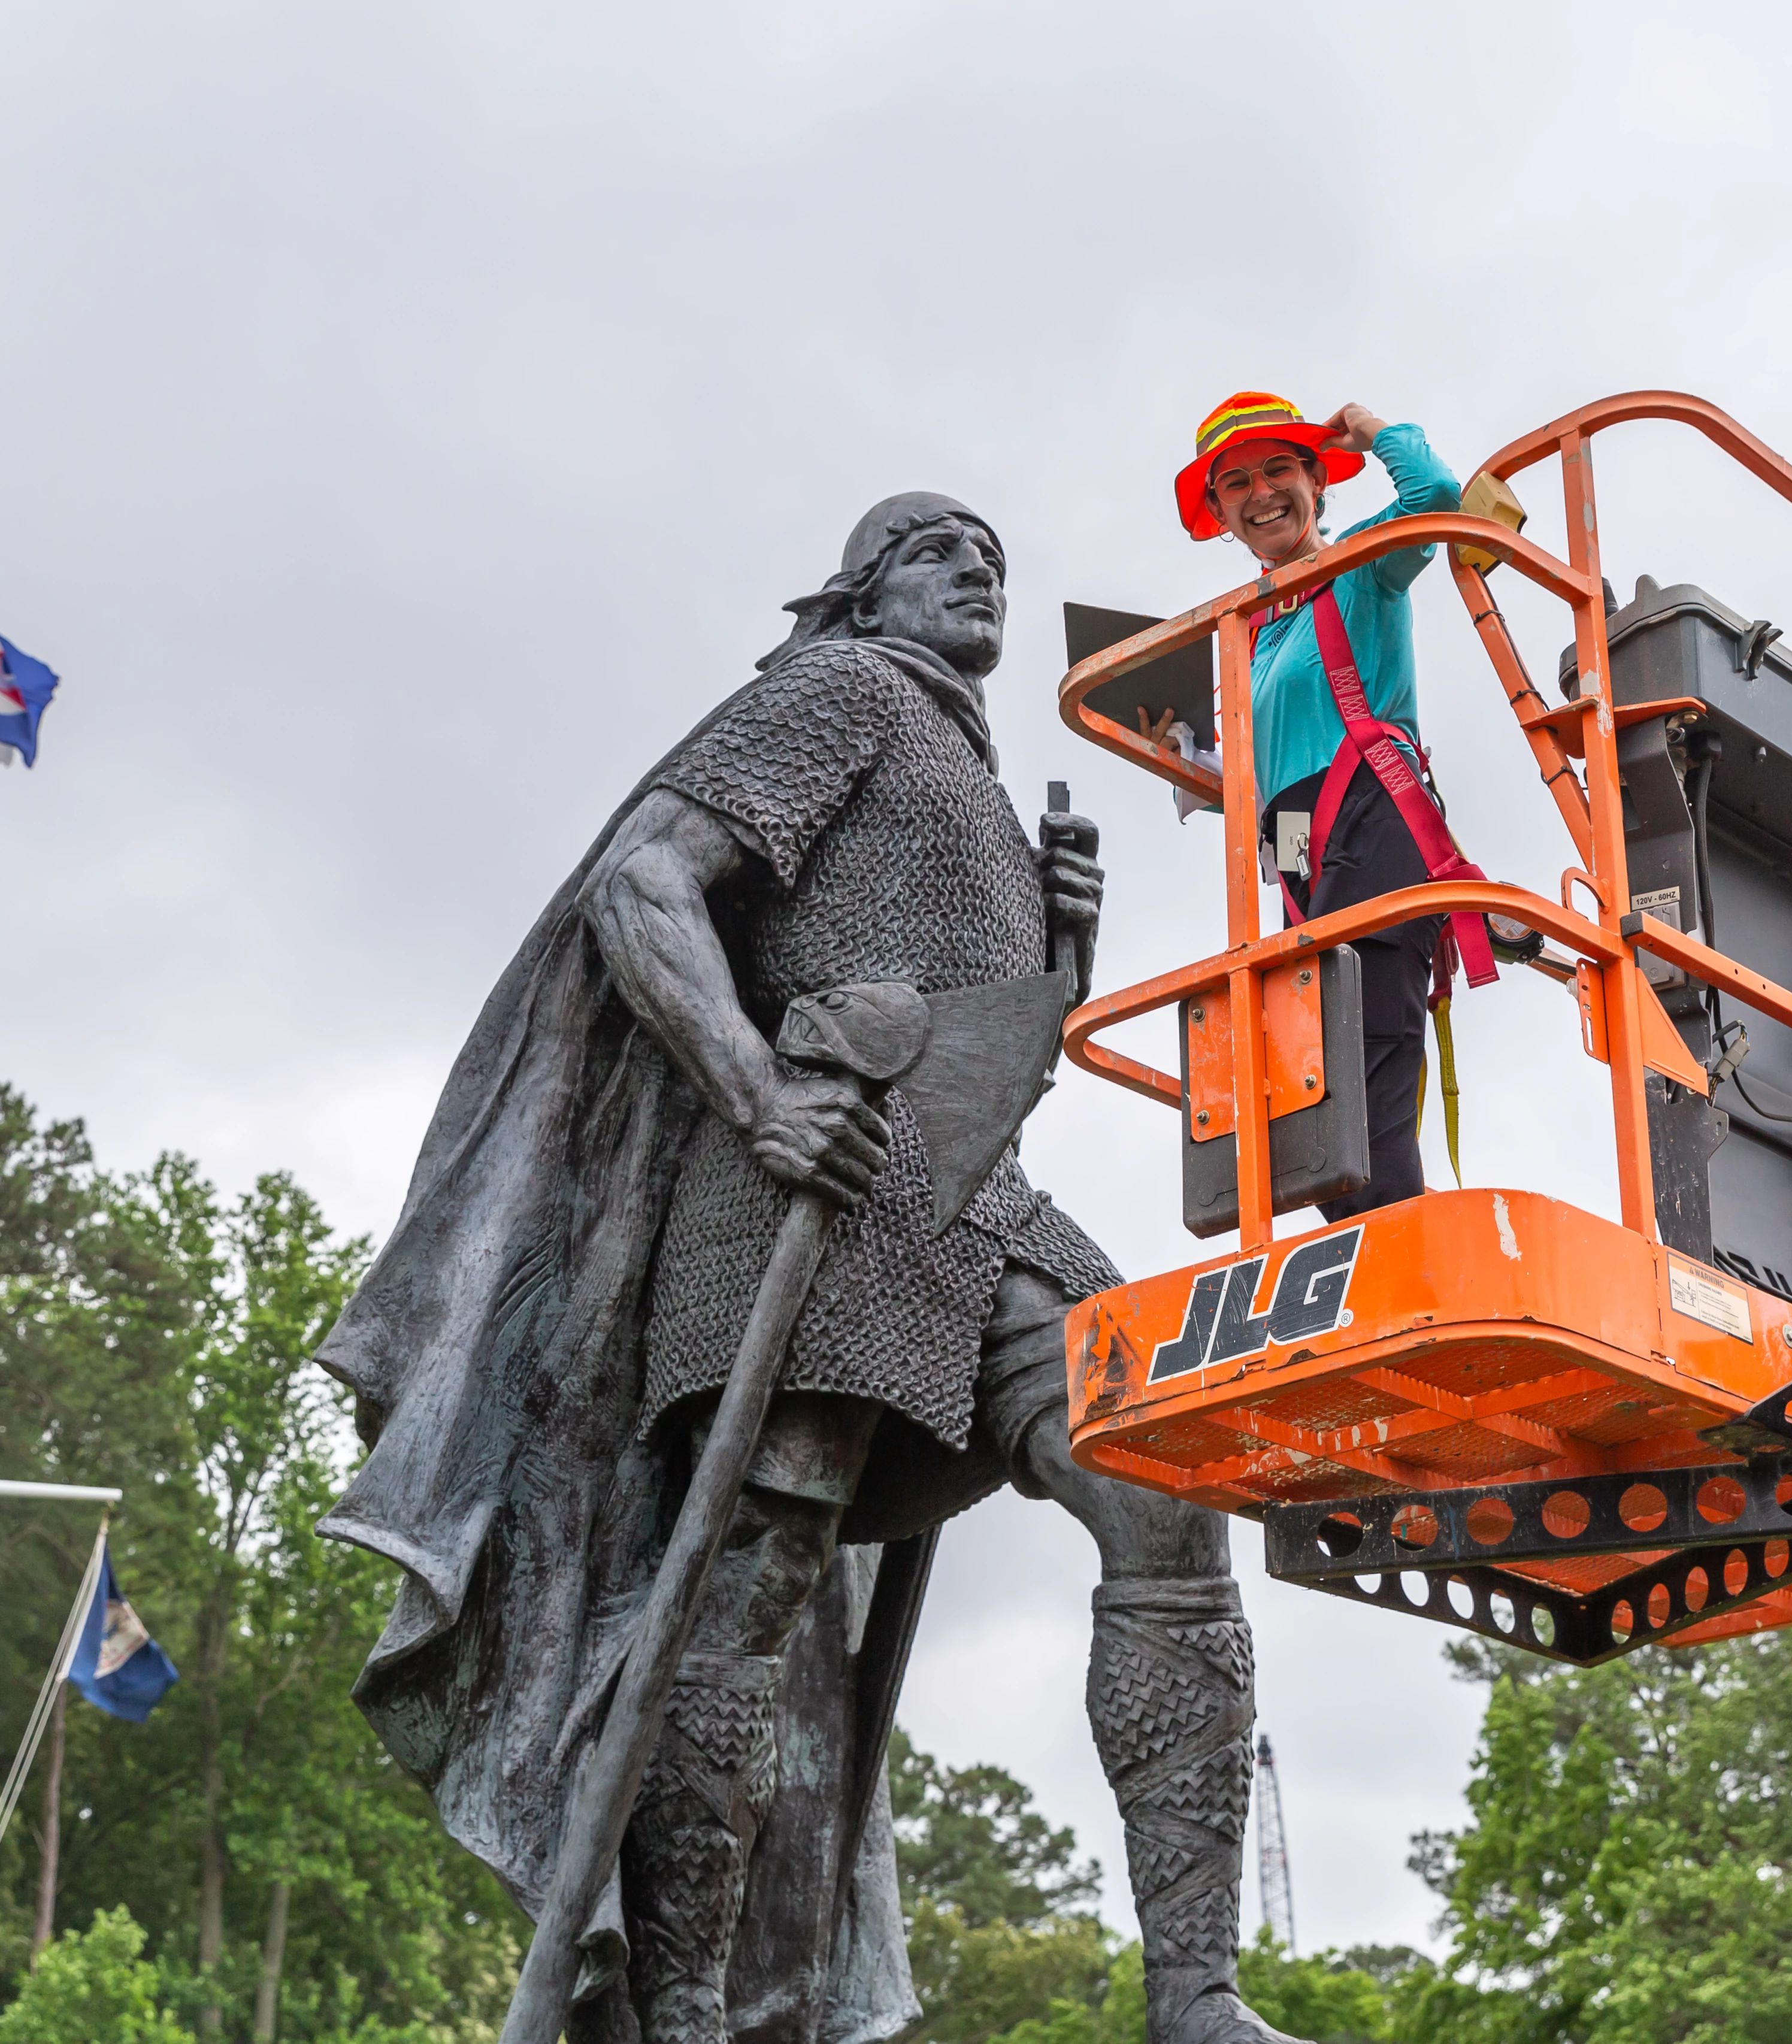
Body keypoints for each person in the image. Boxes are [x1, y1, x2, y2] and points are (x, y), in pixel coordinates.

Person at [316, 494, 1301, 2044]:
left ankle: (1198, 1994)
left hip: (980, 1205)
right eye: (936, 548)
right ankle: (689, 2007)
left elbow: (974, 1039)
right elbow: (640, 884)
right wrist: (759, 1092)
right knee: (750, 1594)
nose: (978, 566)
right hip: (813, 1200)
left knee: (1162, 1478)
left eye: (994, 554)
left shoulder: (961, 764)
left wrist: (1056, 968)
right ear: (859, 594)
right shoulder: (839, 694)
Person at [1173, 390, 1498, 1213]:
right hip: (1294, 846)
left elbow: (1435, 497)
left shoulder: (1360, 563)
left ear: (1318, 481)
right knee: (1309, 1089)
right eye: (1237, 481)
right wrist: (1181, 759)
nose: (1262, 493)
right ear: (1219, 510)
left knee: (1364, 1066)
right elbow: (1260, 781)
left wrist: (1374, 428)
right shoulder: (1246, 632)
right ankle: (1377, 1263)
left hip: (1375, 820)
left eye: (1280, 469)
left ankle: (1404, 1275)